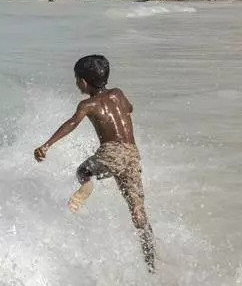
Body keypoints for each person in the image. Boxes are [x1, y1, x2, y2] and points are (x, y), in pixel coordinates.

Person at [34, 55, 156, 271]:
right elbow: (129, 108)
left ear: (82, 82)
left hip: (112, 153)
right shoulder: (118, 94)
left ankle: (85, 189)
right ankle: (151, 261)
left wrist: (47, 145)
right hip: (131, 155)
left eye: (76, 80)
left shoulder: (88, 104)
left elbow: (72, 123)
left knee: (84, 171)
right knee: (138, 210)